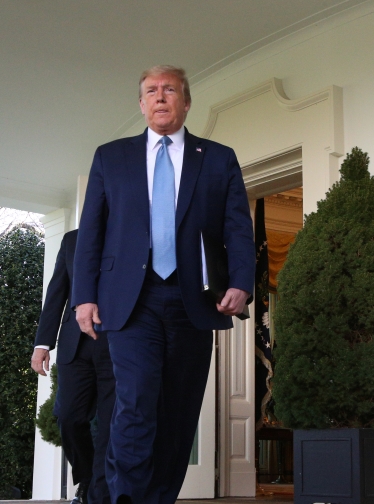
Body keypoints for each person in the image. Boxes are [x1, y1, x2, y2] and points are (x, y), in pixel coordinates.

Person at [72, 65, 255, 504]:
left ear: (185, 102)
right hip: (130, 300)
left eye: (169, 89)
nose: (160, 96)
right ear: (141, 104)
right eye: (151, 90)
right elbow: (91, 231)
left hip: (194, 300)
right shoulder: (110, 157)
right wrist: (84, 297)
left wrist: (242, 281)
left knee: (178, 411)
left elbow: (237, 227)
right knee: (135, 403)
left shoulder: (218, 158)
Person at [32, 229, 115, 504]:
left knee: (110, 424)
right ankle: (88, 478)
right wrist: (42, 344)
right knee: (68, 416)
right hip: (74, 344)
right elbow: (57, 292)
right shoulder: (71, 240)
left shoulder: (128, 234)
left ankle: (98, 492)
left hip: (117, 343)